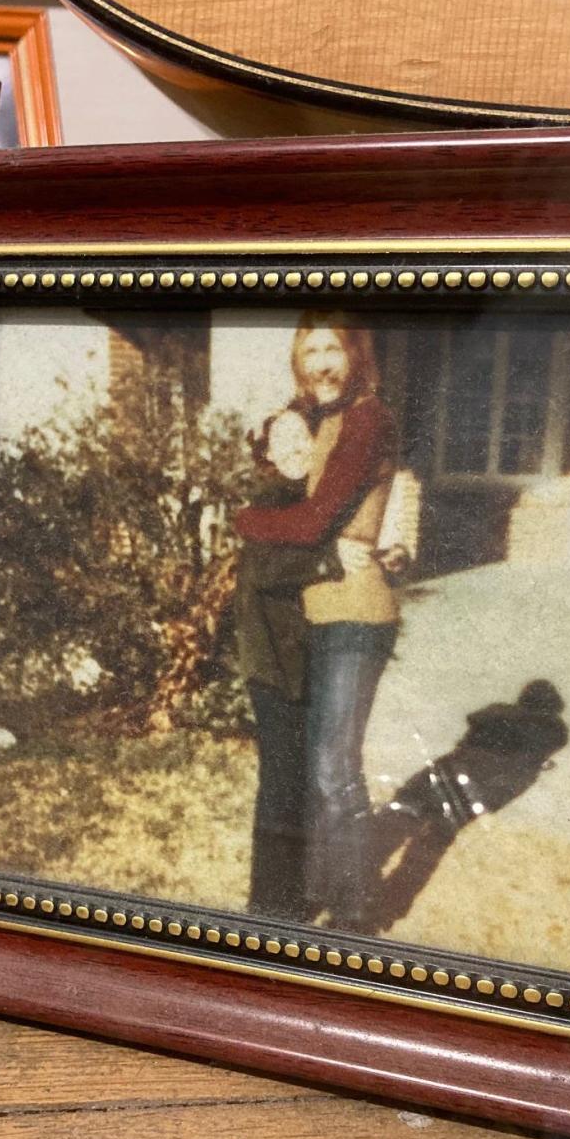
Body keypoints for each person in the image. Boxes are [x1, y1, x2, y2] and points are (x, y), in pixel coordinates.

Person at [236, 312, 399, 930]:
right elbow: (288, 474)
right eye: (311, 350)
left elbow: (312, 523)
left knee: (335, 768)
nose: (322, 362)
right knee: (315, 769)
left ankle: (356, 916)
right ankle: (307, 896)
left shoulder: (367, 418)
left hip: (353, 609)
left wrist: (242, 520)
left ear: (357, 353)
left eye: (333, 348)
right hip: (316, 610)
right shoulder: (321, 420)